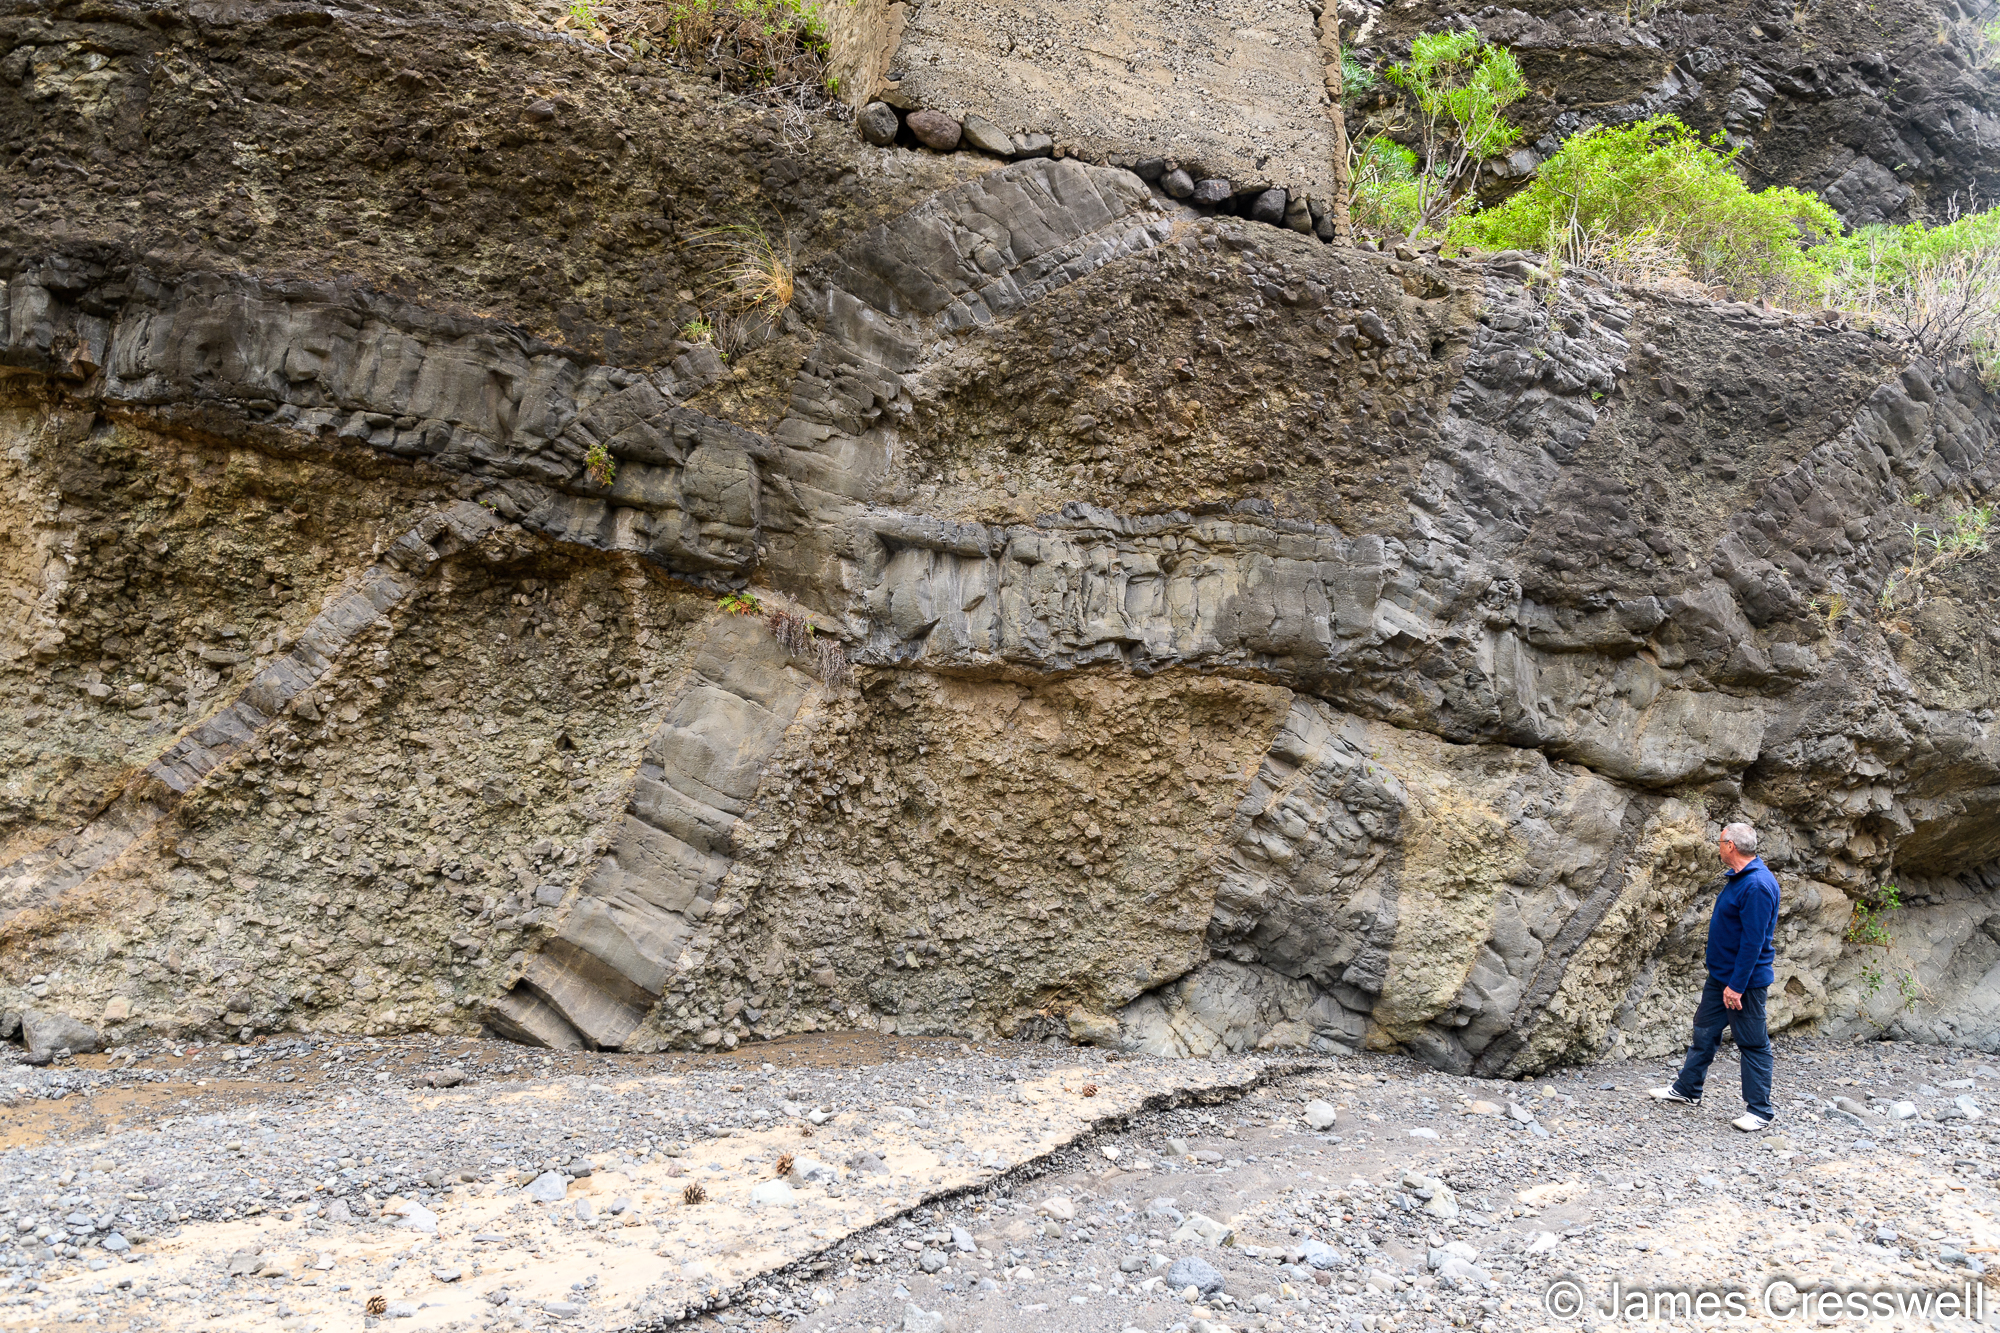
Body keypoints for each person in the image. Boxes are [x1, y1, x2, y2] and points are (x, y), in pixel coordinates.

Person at [1649, 821, 1779, 1131]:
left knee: (1752, 1043)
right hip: (1722, 978)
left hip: (1742, 983)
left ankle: (1760, 1111)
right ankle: (1687, 1090)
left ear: (1730, 846)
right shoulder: (1740, 879)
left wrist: (1736, 986)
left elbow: (1753, 942)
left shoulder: (1757, 885)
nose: (1718, 847)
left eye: (1720, 842)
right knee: (1704, 1033)